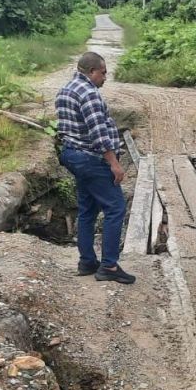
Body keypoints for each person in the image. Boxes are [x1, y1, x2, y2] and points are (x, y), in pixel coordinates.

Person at [56, 52, 135, 284]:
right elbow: (99, 135)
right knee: (115, 208)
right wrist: (114, 164)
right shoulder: (89, 94)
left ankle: (87, 261)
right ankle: (109, 266)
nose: (105, 77)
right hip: (90, 158)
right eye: (103, 73)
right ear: (91, 72)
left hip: (73, 155)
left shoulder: (66, 89)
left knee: (87, 209)